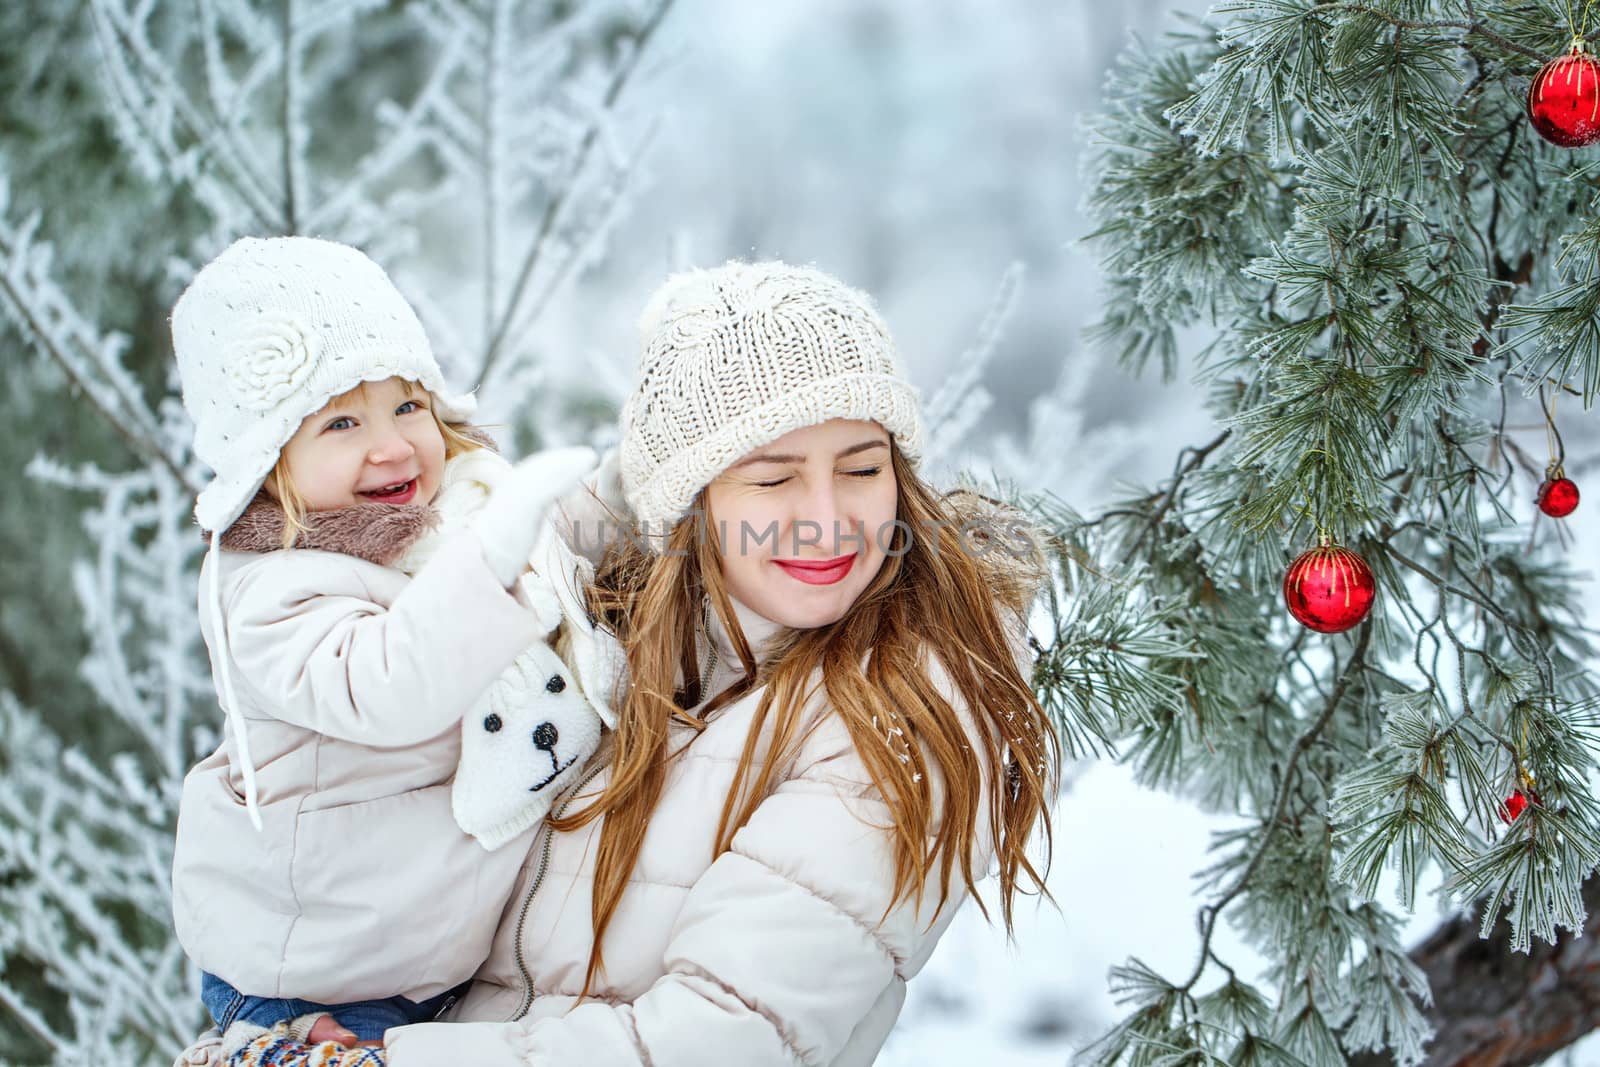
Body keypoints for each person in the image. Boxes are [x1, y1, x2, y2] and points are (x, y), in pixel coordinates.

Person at [366, 260, 1063, 1065]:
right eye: (773, 477)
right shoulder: (605, 634)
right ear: (690, 501)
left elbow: (717, 1038)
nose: (827, 521)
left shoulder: (900, 703)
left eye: (863, 468)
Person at [166, 236, 601, 1063]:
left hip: (422, 960)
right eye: (342, 421)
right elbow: (390, 683)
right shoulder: (272, 593)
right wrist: (491, 561)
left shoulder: (453, 515)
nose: (395, 444)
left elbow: (561, 545)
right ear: (269, 464)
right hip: (322, 983)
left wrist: (617, 502)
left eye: (409, 406)